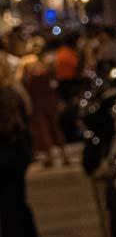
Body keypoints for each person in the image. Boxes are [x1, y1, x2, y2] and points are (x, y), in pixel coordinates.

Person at [0, 61, 40, 237]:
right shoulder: (16, 92)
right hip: (15, 157)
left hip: (7, 158)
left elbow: (10, 126)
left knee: (10, 212)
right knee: (16, 206)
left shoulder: (7, 96)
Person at [19, 39, 67, 167]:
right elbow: (54, 80)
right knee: (54, 127)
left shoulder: (27, 63)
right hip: (48, 99)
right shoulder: (49, 62)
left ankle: (52, 157)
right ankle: (62, 156)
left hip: (38, 100)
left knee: (44, 129)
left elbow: (22, 81)